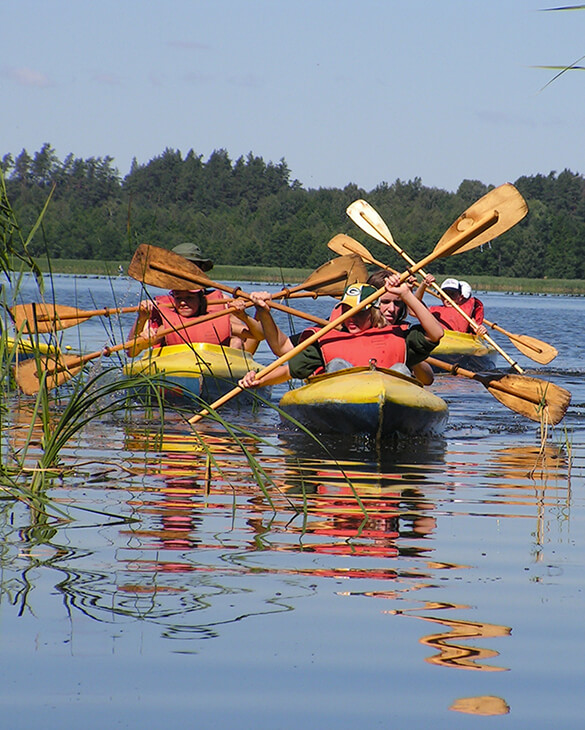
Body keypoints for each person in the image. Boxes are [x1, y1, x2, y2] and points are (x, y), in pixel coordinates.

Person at [238, 274, 444, 390]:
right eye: (347, 312)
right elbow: (282, 349)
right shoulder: (328, 338)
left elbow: (436, 334)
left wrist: (407, 293)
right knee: (337, 364)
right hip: (343, 399)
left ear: (374, 313)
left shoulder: (399, 337)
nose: (351, 318)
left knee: (399, 369)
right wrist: (264, 312)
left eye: (359, 314)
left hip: (394, 397)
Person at [126, 243, 262, 355]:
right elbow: (131, 351)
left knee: (236, 342)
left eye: (191, 267)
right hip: (173, 365)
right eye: (181, 267)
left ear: (201, 269)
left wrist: (256, 313)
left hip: (217, 366)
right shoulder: (160, 305)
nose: (186, 273)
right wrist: (142, 318)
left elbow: (252, 341)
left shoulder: (223, 301)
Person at [418, 275, 487, 337]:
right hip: (438, 339)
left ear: (460, 297)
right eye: (444, 295)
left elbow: (480, 334)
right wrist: (423, 285)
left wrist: (481, 331)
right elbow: (413, 309)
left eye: (452, 294)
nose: (447, 298)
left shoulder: (468, 316)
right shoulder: (434, 311)